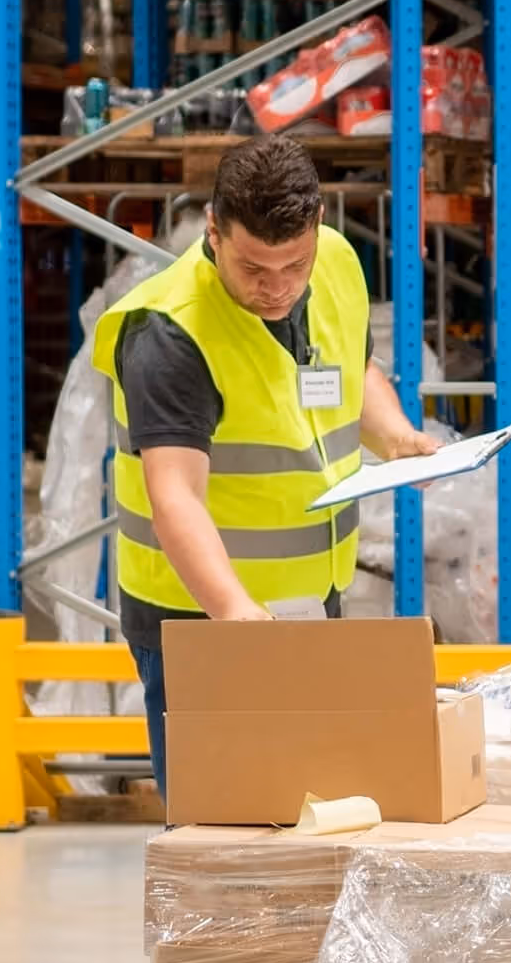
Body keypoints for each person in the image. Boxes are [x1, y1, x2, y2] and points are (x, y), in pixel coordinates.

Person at [89, 136, 441, 804]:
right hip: (199, 619)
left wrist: (393, 436)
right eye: (254, 268)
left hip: (309, 599)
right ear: (214, 231)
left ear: (316, 230)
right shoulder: (169, 333)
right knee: (222, 825)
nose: (277, 288)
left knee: (306, 808)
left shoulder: (335, 264)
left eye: (293, 265)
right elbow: (175, 497)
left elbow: (351, 368)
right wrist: (235, 616)